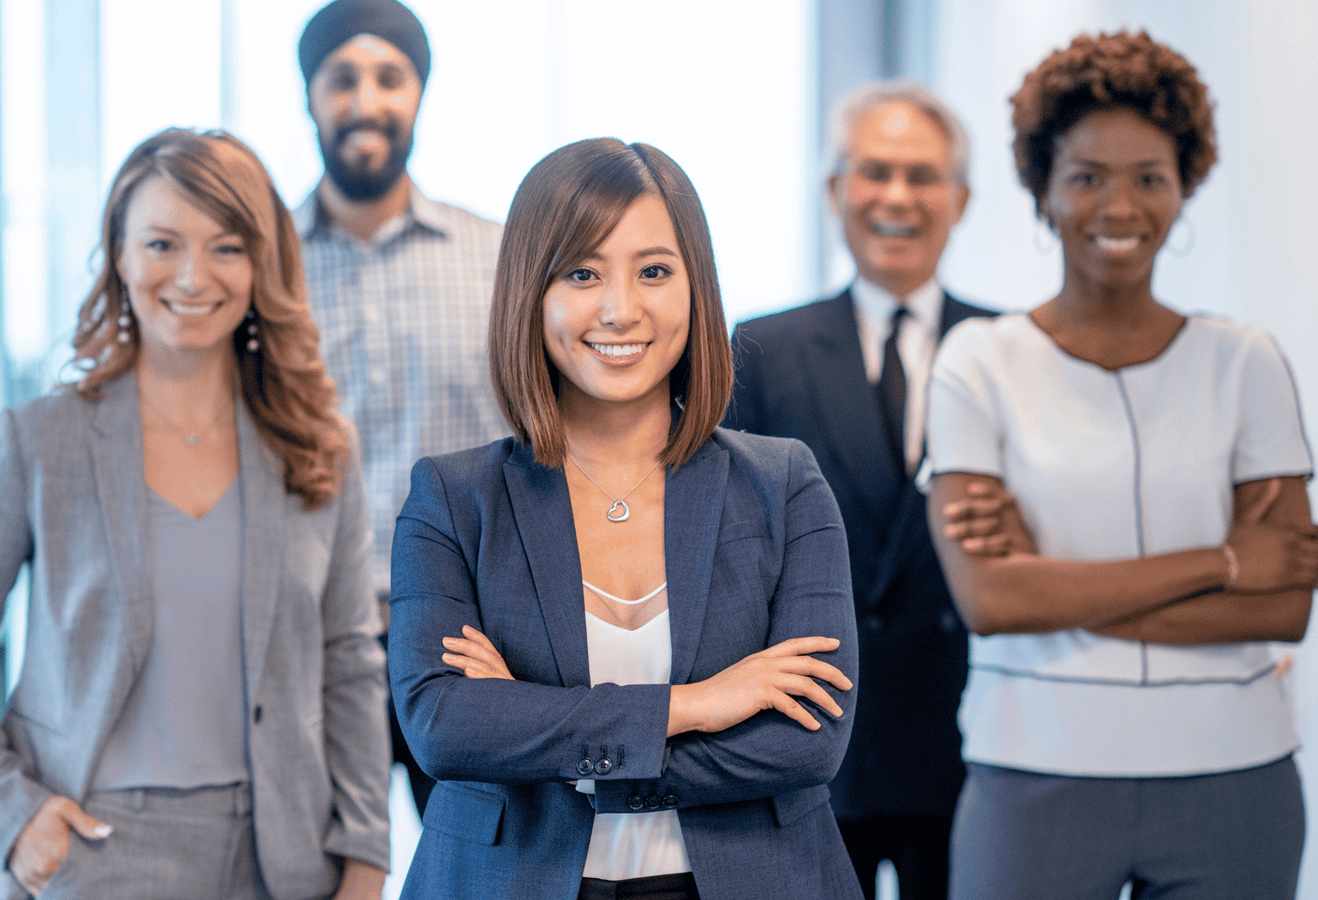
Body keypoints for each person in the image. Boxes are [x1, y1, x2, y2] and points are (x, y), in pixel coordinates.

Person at [0, 128, 390, 900]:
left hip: (283, 856)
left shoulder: (317, 447)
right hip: (95, 849)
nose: (193, 276)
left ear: (264, 265)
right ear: (121, 256)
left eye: (227, 247)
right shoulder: (39, 442)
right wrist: (10, 810)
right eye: (162, 243)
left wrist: (365, 856)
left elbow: (350, 662)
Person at [389, 137, 862, 900]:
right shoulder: (452, 498)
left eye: (654, 271)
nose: (620, 308)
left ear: (695, 287)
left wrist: (550, 742)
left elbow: (808, 740)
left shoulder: (783, 485)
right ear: (529, 293)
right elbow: (444, 725)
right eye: (582, 273)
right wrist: (697, 705)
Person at [924, 31, 1318, 900]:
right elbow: (992, 600)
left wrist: (1058, 588)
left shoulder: (1245, 362)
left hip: (1234, 776)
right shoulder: (978, 362)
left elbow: (1286, 603)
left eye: (1151, 176)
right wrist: (1221, 566)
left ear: (1184, 189)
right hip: (1034, 769)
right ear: (1043, 191)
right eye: (1087, 176)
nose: (1121, 205)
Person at [726, 80, 989, 900]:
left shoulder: (1010, 352)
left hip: (967, 741)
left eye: (922, 176)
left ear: (961, 198)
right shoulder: (761, 350)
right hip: (813, 741)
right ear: (836, 191)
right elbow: (729, 550)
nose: (897, 197)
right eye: (875, 172)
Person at [293, 0, 507, 816]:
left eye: (391, 77)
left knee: (480, 861)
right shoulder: (257, 266)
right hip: (308, 633)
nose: (365, 100)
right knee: (311, 867)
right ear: (310, 96)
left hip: (465, 636)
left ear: (419, 94)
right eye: (341, 78)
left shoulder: (495, 258)